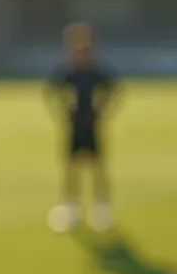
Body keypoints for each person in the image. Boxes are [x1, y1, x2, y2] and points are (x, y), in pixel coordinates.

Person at [46, 22, 121, 232]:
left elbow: (115, 90)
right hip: (74, 126)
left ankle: (102, 208)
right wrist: (63, 110)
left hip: (92, 125)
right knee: (71, 167)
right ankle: (71, 206)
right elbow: (52, 92)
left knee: (98, 167)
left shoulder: (96, 71)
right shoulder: (69, 71)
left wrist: (102, 109)